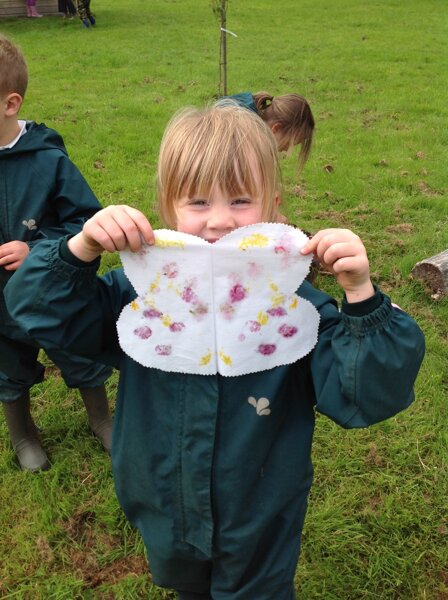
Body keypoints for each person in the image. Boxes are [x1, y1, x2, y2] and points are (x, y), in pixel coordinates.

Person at [5, 103, 425, 598]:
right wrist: (77, 250)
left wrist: (361, 296)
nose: (221, 221)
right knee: (186, 585)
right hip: (162, 497)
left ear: (273, 201)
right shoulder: (142, 294)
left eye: (242, 201)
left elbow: (362, 396)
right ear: (169, 207)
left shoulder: (293, 305)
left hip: (260, 506)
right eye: (199, 202)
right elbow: (41, 313)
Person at [0, 35, 113, 472]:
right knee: (8, 364)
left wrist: (37, 249)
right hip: (0, 301)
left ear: (11, 104)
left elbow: (87, 223)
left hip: (53, 291)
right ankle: (23, 432)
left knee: (78, 351)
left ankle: (101, 419)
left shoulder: (49, 161)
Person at [224, 92, 315, 172]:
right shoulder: (238, 140)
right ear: (276, 128)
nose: (286, 149)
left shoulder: (250, 130)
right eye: (289, 143)